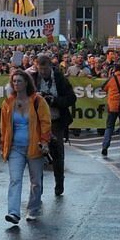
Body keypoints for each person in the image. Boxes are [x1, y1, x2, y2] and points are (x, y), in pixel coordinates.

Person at [0, 70, 52, 224]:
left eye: (19, 81)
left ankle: (33, 208)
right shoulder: (8, 103)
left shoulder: (38, 101)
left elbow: (45, 122)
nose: (16, 84)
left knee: (36, 181)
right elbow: (4, 126)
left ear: (26, 83)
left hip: (34, 147)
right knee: (15, 179)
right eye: (14, 81)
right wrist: (5, 147)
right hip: (15, 148)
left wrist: (45, 141)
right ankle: (13, 212)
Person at [29, 53, 76, 196]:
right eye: (40, 69)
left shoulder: (60, 78)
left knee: (57, 153)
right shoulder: (34, 79)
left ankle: (59, 183)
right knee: (38, 155)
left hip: (56, 121)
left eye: (45, 69)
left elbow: (71, 98)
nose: (43, 72)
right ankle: (38, 189)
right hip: (38, 122)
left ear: (50, 67)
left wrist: (54, 100)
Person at [100, 63, 120, 157]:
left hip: (113, 106)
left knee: (109, 127)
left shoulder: (112, 79)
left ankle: (105, 147)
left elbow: (103, 87)